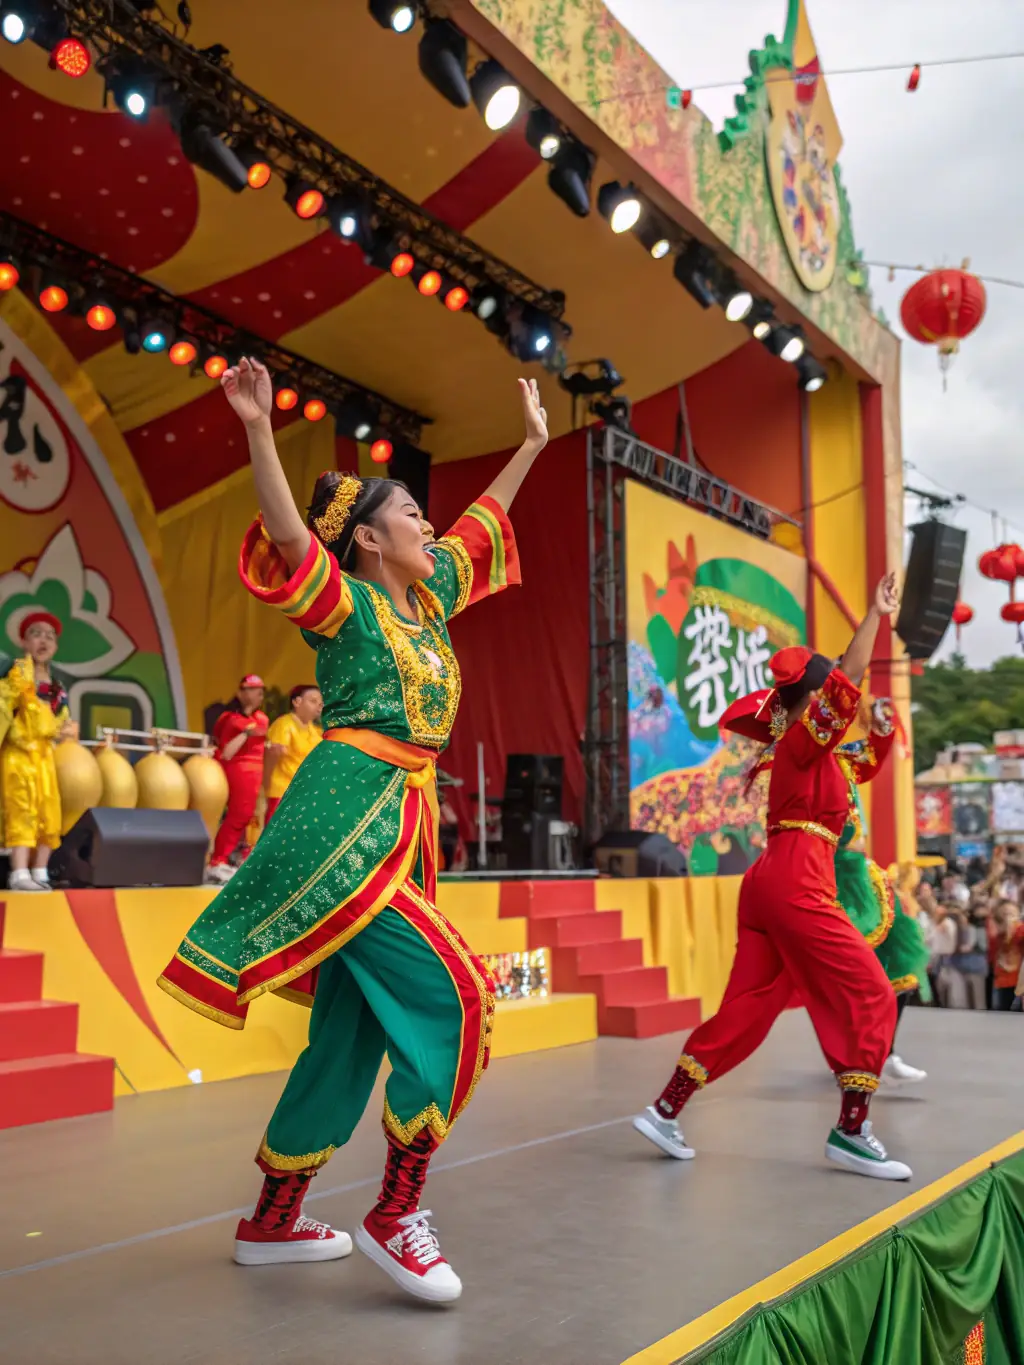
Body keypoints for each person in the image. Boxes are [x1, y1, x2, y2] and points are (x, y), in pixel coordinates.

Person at [159, 356, 548, 1303]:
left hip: (403, 828)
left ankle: (274, 1218)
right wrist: (259, 428)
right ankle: (395, 1210)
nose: (428, 522)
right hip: (345, 821)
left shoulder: (429, 597)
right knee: (460, 995)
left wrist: (534, 443)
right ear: (369, 538)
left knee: (353, 1031)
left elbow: (483, 521)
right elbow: (292, 539)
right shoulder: (351, 606)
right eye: (410, 511)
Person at [634, 575, 914, 1182]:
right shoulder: (803, 742)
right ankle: (852, 1130)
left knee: (751, 1006)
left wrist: (884, 725)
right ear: (813, 699)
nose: (842, 706)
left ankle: (664, 1110)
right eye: (831, 695)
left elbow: (865, 761)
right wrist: (874, 614)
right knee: (872, 991)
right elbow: (848, 681)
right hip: (797, 882)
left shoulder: (811, 752)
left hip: (768, 882)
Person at [828, 708, 932, 1085]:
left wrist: (881, 728)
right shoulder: (803, 763)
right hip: (830, 874)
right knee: (855, 972)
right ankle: (860, 1052)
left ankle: (884, 1052)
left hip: (862, 872)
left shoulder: (840, 759)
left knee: (904, 949)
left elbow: (869, 755)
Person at [1, 613, 78, 891]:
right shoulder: (16, 673)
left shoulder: (57, 686)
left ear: (55, 646)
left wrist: (67, 730)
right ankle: (19, 873)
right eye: (36, 634)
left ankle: (40, 871)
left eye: (50, 636)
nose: (43, 640)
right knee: (21, 810)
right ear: (23, 642)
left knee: (49, 812)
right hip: (19, 753)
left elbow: (62, 719)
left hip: (45, 756)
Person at [207, 675, 269, 882]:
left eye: (260, 690)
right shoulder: (229, 719)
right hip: (237, 769)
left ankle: (230, 858)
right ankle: (217, 861)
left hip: (255, 770)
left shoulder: (261, 718)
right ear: (240, 693)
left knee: (247, 816)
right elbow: (226, 752)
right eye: (252, 689)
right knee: (237, 814)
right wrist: (245, 732)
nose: (258, 694)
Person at [263, 684, 322, 823]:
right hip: (282, 791)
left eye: (321, 703)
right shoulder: (284, 724)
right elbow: (271, 756)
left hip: (304, 791)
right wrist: (266, 786)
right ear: (297, 702)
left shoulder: (315, 731)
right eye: (313, 701)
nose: (318, 706)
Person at [989, 900, 1024, 1011]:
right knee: (1001, 1010)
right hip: (1002, 979)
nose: (1008, 916)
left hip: (1018, 979)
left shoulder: (1020, 929)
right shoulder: (998, 932)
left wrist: (1012, 929)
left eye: (1011, 913)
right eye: (1005, 913)